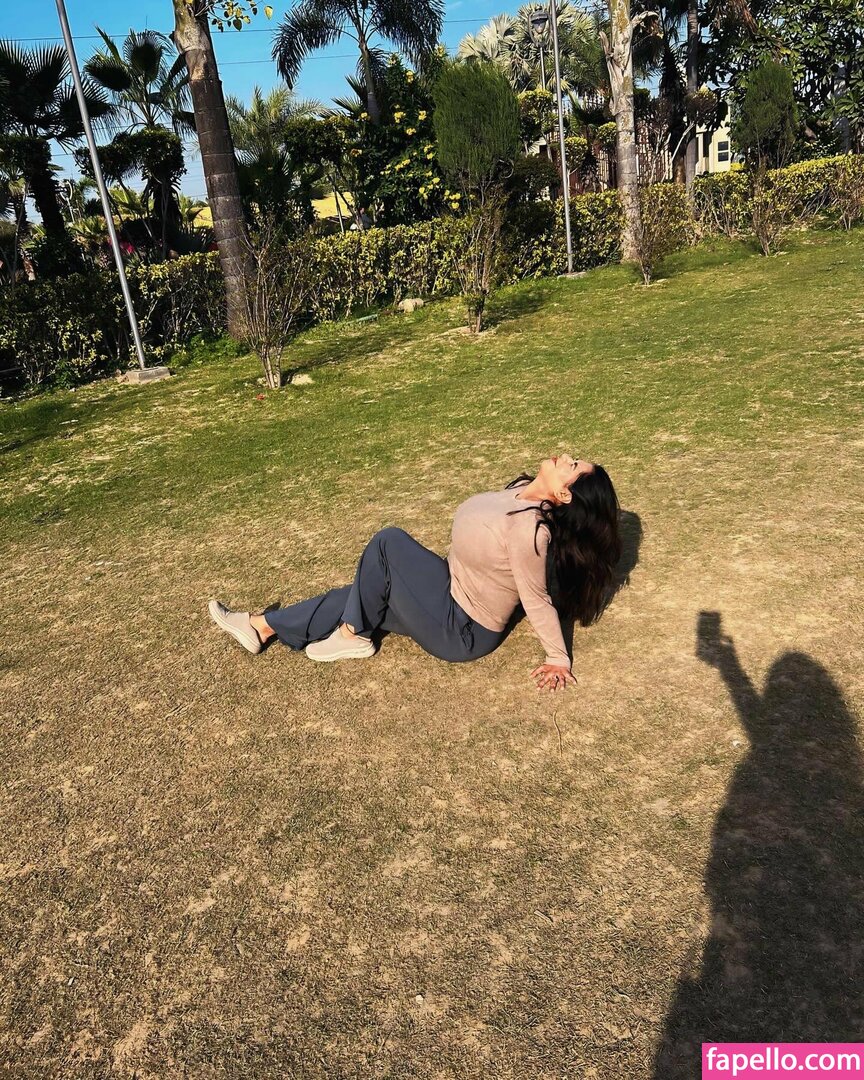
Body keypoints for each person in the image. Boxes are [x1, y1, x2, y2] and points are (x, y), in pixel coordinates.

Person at [209, 454, 621, 691]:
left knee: (388, 543)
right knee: (361, 592)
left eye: (572, 465)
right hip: (446, 591)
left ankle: (353, 636)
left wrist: (558, 657)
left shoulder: (530, 531)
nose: (564, 457)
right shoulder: (520, 490)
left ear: (564, 493)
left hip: (461, 627)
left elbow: (535, 597)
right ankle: (262, 627)